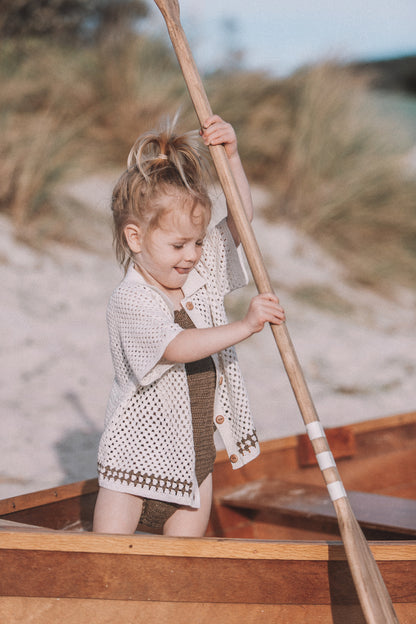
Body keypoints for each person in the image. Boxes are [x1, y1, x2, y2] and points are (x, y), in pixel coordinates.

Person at [93, 114, 285, 537]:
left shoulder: (200, 274)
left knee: (181, 567)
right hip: (132, 467)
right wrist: (246, 325)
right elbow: (176, 346)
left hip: (195, 461)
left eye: (197, 243)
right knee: (107, 565)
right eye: (178, 245)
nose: (192, 255)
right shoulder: (132, 298)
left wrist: (231, 159)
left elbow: (241, 220)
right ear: (135, 238)